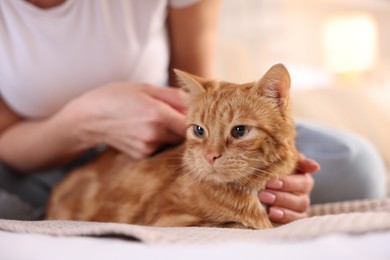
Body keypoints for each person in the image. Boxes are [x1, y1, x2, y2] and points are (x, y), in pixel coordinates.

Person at [0, 0, 386, 224]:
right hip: (31, 157)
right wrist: (85, 120)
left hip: (172, 135)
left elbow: (203, 94)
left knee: (357, 166)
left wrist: (276, 168)